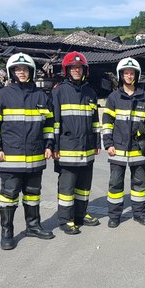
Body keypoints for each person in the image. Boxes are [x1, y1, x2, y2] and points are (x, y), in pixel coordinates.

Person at [0, 52, 55, 250]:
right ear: (12, 72)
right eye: (17, 69)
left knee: (33, 194)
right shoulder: (2, 95)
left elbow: (49, 124)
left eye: (24, 69)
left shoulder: (41, 96)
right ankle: (7, 233)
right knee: (9, 196)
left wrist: (49, 145)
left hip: (35, 157)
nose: (21, 72)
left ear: (30, 71)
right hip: (10, 157)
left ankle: (33, 226)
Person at [101, 57, 145, 228]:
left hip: (138, 149)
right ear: (121, 75)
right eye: (126, 73)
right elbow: (107, 123)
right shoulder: (113, 97)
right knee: (115, 183)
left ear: (136, 75)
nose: (129, 76)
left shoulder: (144, 97)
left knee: (140, 184)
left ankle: (139, 214)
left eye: (132, 73)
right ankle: (114, 216)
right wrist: (108, 144)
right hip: (117, 148)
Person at [51, 51, 101, 235]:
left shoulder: (90, 93)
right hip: (67, 149)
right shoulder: (59, 92)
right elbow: (54, 122)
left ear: (84, 70)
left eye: (79, 67)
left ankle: (80, 214)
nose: (76, 70)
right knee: (67, 188)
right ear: (67, 70)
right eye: (73, 67)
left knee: (84, 187)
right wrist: (54, 146)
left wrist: (97, 143)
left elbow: (95, 121)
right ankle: (65, 220)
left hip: (87, 149)